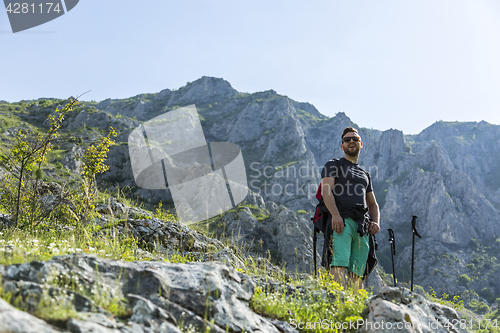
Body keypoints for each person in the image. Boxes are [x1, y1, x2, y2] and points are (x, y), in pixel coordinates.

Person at [320, 127, 380, 290]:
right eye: (347, 140)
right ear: (342, 146)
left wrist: (375, 222)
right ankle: (336, 304)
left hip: (362, 227)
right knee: (339, 263)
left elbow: (373, 204)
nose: (351, 141)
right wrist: (335, 215)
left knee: (358, 272)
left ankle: (354, 309)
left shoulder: (365, 175)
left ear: (361, 144)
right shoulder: (333, 165)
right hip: (342, 221)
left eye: (354, 139)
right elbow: (326, 191)